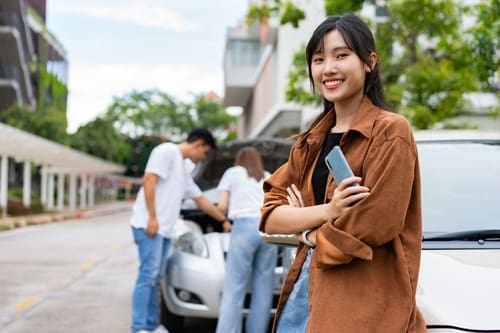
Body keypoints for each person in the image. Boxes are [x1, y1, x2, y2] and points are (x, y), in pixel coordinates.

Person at [260, 14, 426, 333]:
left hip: (358, 309)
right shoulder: (310, 142)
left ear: (369, 62)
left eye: (341, 55)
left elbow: (373, 226)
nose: (328, 68)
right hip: (301, 301)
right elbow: (269, 216)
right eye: (319, 59)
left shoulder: (391, 132)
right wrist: (328, 211)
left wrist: (305, 231)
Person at [129, 128, 231, 333]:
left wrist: (224, 220)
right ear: (198, 144)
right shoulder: (166, 151)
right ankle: (139, 327)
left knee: (156, 279)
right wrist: (152, 217)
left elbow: (201, 200)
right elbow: (149, 180)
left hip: (164, 230)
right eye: (204, 153)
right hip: (149, 225)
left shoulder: (183, 168)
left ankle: (151, 325)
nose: (202, 158)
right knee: (147, 276)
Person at [215, 146, 278, 333]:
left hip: (243, 228)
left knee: (234, 286)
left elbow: (222, 206)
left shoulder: (233, 173)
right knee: (264, 287)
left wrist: (224, 221)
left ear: (239, 159)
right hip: (268, 229)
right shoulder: (268, 175)